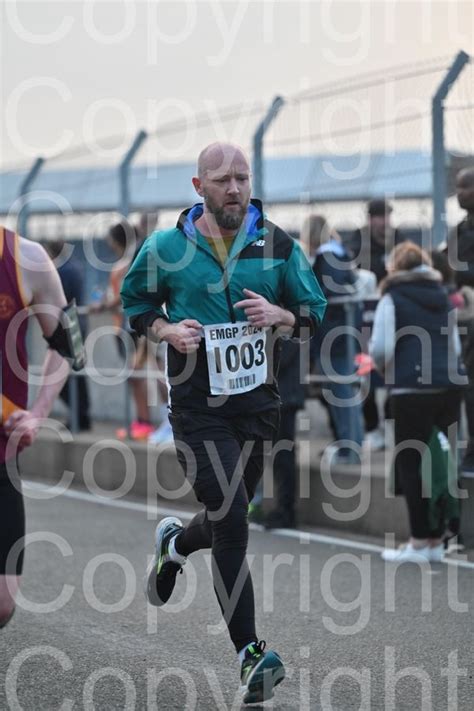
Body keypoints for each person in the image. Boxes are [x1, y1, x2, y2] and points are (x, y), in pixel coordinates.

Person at [121, 142, 326, 704]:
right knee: (233, 516)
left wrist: (282, 315)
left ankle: (175, 545)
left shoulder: (278, 244)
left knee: (227, 513)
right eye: (222, 179)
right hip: (196, 409)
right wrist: (167, 332)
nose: (234, 188)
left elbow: (316, 313)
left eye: (242, 177)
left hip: (258, 407)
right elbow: (135, 305)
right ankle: (250, 656)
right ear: (198, 187)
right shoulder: (165, 246)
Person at [1, 225, 81, 627]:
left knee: (2, 604)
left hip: (1, 450)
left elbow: (72, 345)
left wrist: (38, 411)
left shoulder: (27, 259)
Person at [369, 242, 464, 563]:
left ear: (395, 268)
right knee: (442, 462)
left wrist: (386, 370)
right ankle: (439, 539)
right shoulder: (443, 295)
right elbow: (454, 346)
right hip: (449, 386)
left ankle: (419, 542)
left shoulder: (391, 297)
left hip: (410, 389)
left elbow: (380, 348)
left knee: (412, 465)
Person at [347, 199, 405, 451]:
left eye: (387, 216)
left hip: (396, 320)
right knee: (365, 374)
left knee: (396, 373)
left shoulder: (400, 240)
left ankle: (390, 423)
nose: (384, 222)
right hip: (366, 324)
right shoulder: (358, 242)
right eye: (379, 217)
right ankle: (372, 427)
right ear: (370, 219)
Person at [308, 214, 364, 463]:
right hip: (347, 334)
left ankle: (348, 449)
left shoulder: (325, 257)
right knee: (346, 392)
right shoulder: (341, 254)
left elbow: (328, 297)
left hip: (334, 337)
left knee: (341, 393)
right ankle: (350, 444)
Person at [90, 222, 154, 440]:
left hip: (132, 328)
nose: (110, 246)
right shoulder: (128, 262)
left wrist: (105, 304)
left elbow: (126, 294)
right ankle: (141, 420)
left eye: (112, 242)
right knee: (134, 376)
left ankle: (145, 421)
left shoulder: (129, 264)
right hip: (125, 327)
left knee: (138, 376)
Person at [444, 167, 474, 472]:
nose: (459, 193)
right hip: (466, 320)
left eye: (465, 187)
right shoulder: (459, 231)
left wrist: (459, 272)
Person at [45, 239, 91, 431]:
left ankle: (79, 416)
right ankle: (81, 417)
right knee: (74, 372)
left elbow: (57, 300)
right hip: (76, 323)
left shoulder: (60, 271)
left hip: (68, 326)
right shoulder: (73, 267)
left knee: (64, 374)